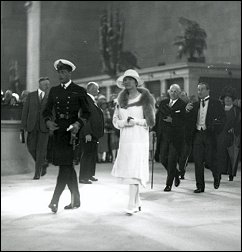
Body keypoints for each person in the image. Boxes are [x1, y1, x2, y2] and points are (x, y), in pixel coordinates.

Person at [43, 59, 90, 213]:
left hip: (73, 134)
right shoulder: (54, 91)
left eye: (63, 72)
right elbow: (47, 111)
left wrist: (78, 124)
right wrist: (48, 121)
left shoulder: (79, 90)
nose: (60, 75)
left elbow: (86, 113)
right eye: (59, 72)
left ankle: (54, 201)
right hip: (58, 132)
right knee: (67, 166)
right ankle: (76, 199)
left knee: (64, 167)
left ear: (70, 73)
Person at [111, 69, 156, 215]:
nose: (127, 82)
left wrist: (136, 121)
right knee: (130, 171)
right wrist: (124, 123)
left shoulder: (145, 99)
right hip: (125, 141)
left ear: (136, 82)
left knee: (135, 171)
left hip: (139, 140)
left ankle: (131, 204)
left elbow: (150, 121)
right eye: (125, 80)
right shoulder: (120, 100)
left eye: (130, 79)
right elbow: (115, 120)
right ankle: (137, 202)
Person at [186, 82, 226, 193]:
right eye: (198, 89)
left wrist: (215, 131)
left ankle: (216, 175)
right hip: (198, 135)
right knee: (198, 161)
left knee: (210, 160)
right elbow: (188, 120)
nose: (199, 92)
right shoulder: (194, 105)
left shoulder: (216, 103)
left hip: (210, 135)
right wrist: (187, 110)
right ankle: (200, 186)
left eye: (202, 89)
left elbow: (223, 119)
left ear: (208, 90)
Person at [153, 84, 186, 192]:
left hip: (175, 138)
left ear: (179, 93)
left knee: (172, 161)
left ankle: (168, 184)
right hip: (163, 137)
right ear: (169, 92)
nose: (173, 93)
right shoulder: (163, 103)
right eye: (171, 91)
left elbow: (184, 122)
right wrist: (154, 130)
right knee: (162, 159)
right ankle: (176, 173)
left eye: (176, 91)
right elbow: (158, 118)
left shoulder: (182, 105)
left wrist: (173, 121)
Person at [21, 77, 50, 179]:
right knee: (31, 148)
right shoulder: (31, 96)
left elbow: (53, 113)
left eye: (48, 84)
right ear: (40, 85)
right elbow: (25, 111)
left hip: (44, 127)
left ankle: (37, 173)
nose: (47, 86)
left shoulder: (50, 97)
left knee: (40, 151)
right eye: (45, 84)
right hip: (32, 126)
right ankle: (43, 163)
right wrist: (23, 125)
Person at [79, 81, 104, 184]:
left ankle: (89, 174)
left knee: (92, 154)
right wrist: (87, 133)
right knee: (87, 155)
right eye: (97, 88)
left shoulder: (92, 100)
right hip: (89, 133)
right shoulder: (85, 100)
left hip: (94, 133)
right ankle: (83, 177)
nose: (98, 90)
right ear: (90, 89)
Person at [217, 86, 241, 181]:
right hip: (220, 135)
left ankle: (231, 174)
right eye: (226, 97)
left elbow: (239, 123)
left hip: (232, 136)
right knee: (219, 155)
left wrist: (235, 129)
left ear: (232, 99)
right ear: (223, 99)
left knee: (231, 155)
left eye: (229, 97)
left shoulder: (237, 111)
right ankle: (218, 173)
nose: (227, 99)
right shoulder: (219, 109)